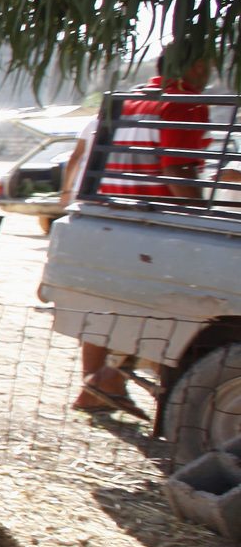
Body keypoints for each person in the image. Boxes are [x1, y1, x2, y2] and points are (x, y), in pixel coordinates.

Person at [67, 40, 218, 413]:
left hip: (112, 215)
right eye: (209, 63)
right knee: (170, 307)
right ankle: (110, 381)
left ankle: (95, 388)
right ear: (196, 66)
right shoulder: (184, 102)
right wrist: (202, 217)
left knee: (109, 306)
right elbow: (176, 169)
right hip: (157, 220)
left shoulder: (131, 99)